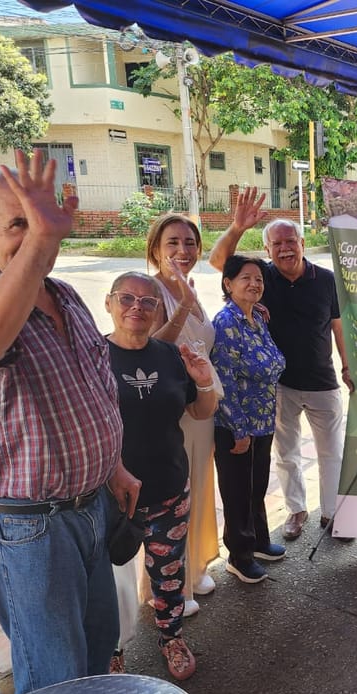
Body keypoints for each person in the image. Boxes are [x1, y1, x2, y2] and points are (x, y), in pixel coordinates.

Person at [0, 151, 141, 694]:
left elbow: (94, 386)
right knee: (54, 677)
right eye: (18, 224)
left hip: (90, 507)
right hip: (27, 529)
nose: (35, 237)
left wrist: (114, 466)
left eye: (41, 221)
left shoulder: (65, 296)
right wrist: (44, 240)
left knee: (97, 649)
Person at [209, 218, 354, 541]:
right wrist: (237, 227)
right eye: (277, 244)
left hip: (323, 380)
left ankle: (332, 512)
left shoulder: (327, 280)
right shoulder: (263, 278)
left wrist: (347, 366)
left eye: (291, 241)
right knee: (287, 453)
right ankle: (296, 509)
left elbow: (338, 325)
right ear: (267, 249)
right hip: (279, 386)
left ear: (303, 243)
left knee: (332, 451)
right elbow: (220, 263)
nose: (285, 249)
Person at [104, 272, 218, 680]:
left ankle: (171, 637)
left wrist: (204, 382)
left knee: (169, 574)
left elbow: (200, 412)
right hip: (113, 497)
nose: (137, 307)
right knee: (112, 582)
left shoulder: (170, 356)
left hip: (169, 488)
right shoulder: (93, 357)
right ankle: (112, 649)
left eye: (148, 301)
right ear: (109, 303)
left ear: (157, 311)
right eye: (126, 298)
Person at [144, 209, 228, 614]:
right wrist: (182, 306)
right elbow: (150, 348)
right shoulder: (150, 289)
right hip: (172, 409)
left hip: (202, 404)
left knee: (198, 487)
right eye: (173, 242)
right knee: (174, 496)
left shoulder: (187, 287)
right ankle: (169, 588)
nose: (183, 250)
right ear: (155, 250)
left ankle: (193, 568)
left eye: (190, 243)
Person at [212, 255, 287, 583]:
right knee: (238, 491)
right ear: (228, 284)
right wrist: (238, 429)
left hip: (263, 419)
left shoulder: (256, 316)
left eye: (258, 279)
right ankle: (239, 556)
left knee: (257, 485)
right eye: (246, 278)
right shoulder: (226, 322)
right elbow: (224, 378)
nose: (254, 284)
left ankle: (257, 541)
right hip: (236, 424)